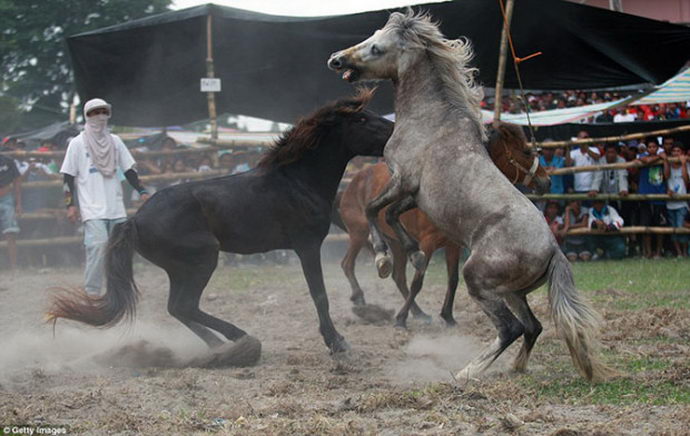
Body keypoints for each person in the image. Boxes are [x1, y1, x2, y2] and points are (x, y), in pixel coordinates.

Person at [60, 98, 150, 296]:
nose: (100, 116)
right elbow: (67, 177)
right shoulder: (77, 143)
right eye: (94, 112)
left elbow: (129, 170)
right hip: (91, 208)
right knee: (99, 246)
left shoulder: (115, 141)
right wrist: (70, 205)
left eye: (103, 111)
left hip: (116, 206)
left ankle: (118, 292)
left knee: (120, 250)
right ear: (87, 115)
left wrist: (142, 191)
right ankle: (92, 292)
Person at [637, 139, 668, 258]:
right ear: (647, 148)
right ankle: (648, 252)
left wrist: (664, 160)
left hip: (659, 196)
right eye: (649, 147)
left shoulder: (663, 158)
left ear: (657, 147)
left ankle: (659, 251)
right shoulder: (642, 156)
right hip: (645, 196)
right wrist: (660, 157)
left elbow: (667, 175)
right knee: (646, 226)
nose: (652, 149)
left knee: (660, 227)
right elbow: (646, 161)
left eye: (654, 147)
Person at [664, 142, 689, 257]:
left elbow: (686, 181)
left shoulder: (687, 165)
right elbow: (666, 176)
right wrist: (666, 162)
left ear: (682, 153)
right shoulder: (668, 164)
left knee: (681, 228)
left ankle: (684, 252)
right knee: (673, 229)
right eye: (674, 151)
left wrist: (683, 164)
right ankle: (678, 252)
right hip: (670, 203)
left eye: (678, 151)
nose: (675, 153)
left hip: (682, 203)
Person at [0, 152, 22, 271]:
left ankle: (14, 266)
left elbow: (17, 180)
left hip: (7, 198)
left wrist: (18, 203)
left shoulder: (8, 161)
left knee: (10, 233)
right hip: (7, 199)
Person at [566, 131, 600, 204]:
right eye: (582, 137)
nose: (584, 139)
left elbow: (596, 157)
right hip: (578, 188)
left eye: (586, 137)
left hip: (592, 189)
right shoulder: (573, 152)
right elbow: (568, 164)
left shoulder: (594, 149)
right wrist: (568, 148)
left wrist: (585, 146)